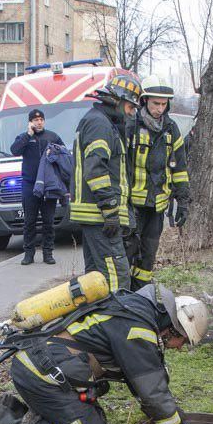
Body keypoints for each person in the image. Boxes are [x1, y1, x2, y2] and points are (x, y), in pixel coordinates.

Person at [0, 285, 213, 424]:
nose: (179, 349)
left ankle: (25, 414)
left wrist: (173, 420)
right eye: (184, 342)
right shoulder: (139, 331)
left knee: (96, 423)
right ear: (175, 329)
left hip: (38, 366)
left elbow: (144, 383)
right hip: (43, 376)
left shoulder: (132, 308)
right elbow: (152, 393)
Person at [71, 75, 144, 291]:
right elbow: (95, 169)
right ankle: (117, 320)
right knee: (116, 276)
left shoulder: (102, 122)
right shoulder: (99, 124)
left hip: (98, 214)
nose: (132, 112)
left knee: (97, 277)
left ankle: (99, 321)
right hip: (100, 214)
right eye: (131, 106)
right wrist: (110, 208)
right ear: (118, 100)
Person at [124, 75, 189, 288]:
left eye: (163, 104)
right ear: (144, 101)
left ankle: (141, 294)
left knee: (149, 254)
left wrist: (183, 202)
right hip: (133, 205)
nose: (159, 109)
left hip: (157, 206)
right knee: (128, 250)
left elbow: (180, 169)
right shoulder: (131, 127)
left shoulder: (171, 130)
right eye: (155, 104)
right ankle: (123, 293)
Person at [10, 109, 65, 265]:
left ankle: (48, 253)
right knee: (29, 221)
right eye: (35, 120)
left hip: (48, 186)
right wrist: (28, 135)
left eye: (41, 119)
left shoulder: (52, 137)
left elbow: (63, 155)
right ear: (30, 122)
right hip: (30, 185)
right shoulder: (24, 137)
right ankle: (29, 254)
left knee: (48, 221)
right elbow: (14, 150)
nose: (39, 122)